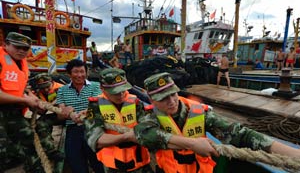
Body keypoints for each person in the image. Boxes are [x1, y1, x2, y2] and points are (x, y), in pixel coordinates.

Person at [134, 72, 300, 173]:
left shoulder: (198, 113)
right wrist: (192, 144)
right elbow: (145, 135)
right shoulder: (148, 115)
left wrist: (291, 153)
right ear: (151, 99)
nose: (171, 101)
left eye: (173, 94)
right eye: (163, 98)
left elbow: (239, 133)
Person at [84, 68, 154, 173]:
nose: (121, 95)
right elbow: (97, 140)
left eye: (123, 89)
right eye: (115, 92)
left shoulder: (135, 102)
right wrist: (126, 137)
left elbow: (148, 129)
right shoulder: (95, 105)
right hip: (112, 166)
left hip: (140, 164)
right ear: (102, 88)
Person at [0, 32, 45, 172]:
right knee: (6, 151)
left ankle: (36, 168)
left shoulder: (21, 63)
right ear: (6, 45)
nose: (21, 51)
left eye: (25, 48)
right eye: (17, 46)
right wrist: (25, 101)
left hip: (13, 110)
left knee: (27, 137)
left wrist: (31, 95)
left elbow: (20, 85)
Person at [56, 59, 104, 173]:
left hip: (93, 127)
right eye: (76, 72)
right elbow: (60, 116)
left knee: (98, 163)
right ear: (69, 74)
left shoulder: (96, 86)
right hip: (72, 129)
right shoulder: (62, 90)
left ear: (87, 73)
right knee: (76, 163)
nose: (79, 75)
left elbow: (98, 106)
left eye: (82, 72)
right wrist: (67, 112)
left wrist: (85, 113)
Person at [33, 73, 65, 168]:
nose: (46, 90)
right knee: (41, 123)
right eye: (42, 88)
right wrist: (35, 107)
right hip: (57, 114)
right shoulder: (38, 94)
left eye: (47, 87)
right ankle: (51, 151)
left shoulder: (62, 88)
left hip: (71, 115)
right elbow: (42, 112)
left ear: (52, 82)